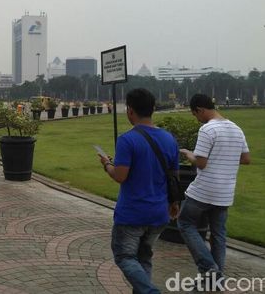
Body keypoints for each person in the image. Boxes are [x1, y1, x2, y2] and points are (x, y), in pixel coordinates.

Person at [98, 88, 180, 294]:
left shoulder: (128, 139)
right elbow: (174, 178)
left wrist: (107, 164)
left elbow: (120, 176)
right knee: (144, 258)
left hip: (133, 214)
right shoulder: (169, 139)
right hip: (159, 212)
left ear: (130, 110)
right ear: (152, 109)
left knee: (125, 257)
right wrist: (174, 203)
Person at [178, 94, 250, 283]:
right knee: (218, 235)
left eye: (195, 115)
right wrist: (225, 157)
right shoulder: (236, 128)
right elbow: (246, 159)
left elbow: (200, 163)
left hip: (203, 190)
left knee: (185, 224)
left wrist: (188, 153)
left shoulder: (208, 129)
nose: (197, 119)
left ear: (200, 110)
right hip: (225, 193)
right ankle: (217, 280)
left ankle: (209, 269)